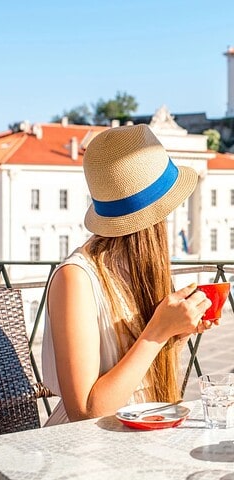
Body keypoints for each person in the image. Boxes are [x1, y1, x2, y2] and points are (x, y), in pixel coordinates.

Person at [41, 123, 216, 426]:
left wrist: (175, 332)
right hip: (83, 454)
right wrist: (157, 332)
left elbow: (128, 369)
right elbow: (85, 411)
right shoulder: (76, 279)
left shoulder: (137, 267)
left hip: (140, 434)